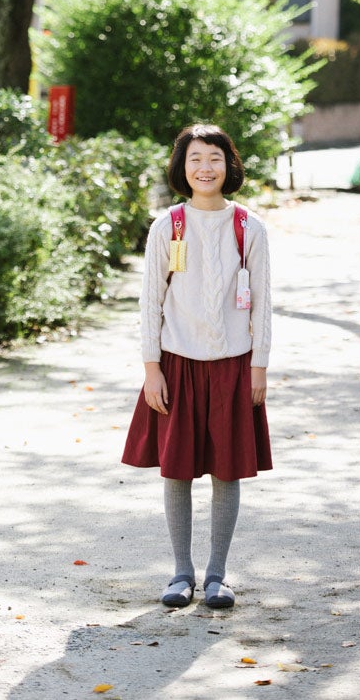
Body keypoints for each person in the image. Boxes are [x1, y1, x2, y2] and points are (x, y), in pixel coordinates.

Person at [122, 122, 272, 610]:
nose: (205, 168)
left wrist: (259, 366)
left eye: (214, 158)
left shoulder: (249, 227)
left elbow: (263, 303)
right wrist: (151, 368)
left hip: (233, 366)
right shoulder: (168, 227)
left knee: (228, 472)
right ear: (181, 167)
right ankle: (181, 573)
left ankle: (217, 576)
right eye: (195, 159)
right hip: (177, 365)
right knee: (178, 471)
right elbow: (150, 301)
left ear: (230, 165)